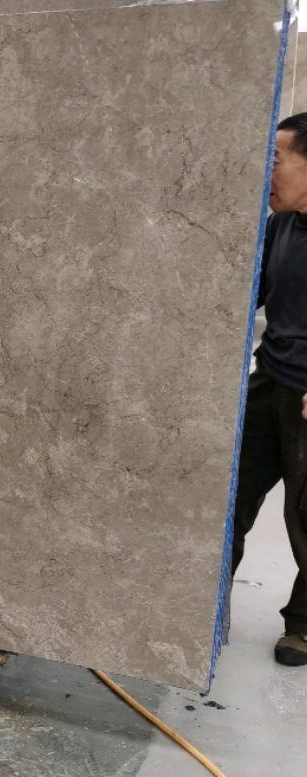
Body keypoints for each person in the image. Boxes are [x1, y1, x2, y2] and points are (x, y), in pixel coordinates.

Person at [232, 112, 307, 666]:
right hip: (271, 379)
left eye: (276, 159)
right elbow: (245, 291)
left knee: (305, 520)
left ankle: (303, 626)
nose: (266, 171)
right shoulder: (281, 225)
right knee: (229, 496)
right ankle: (203, 605)